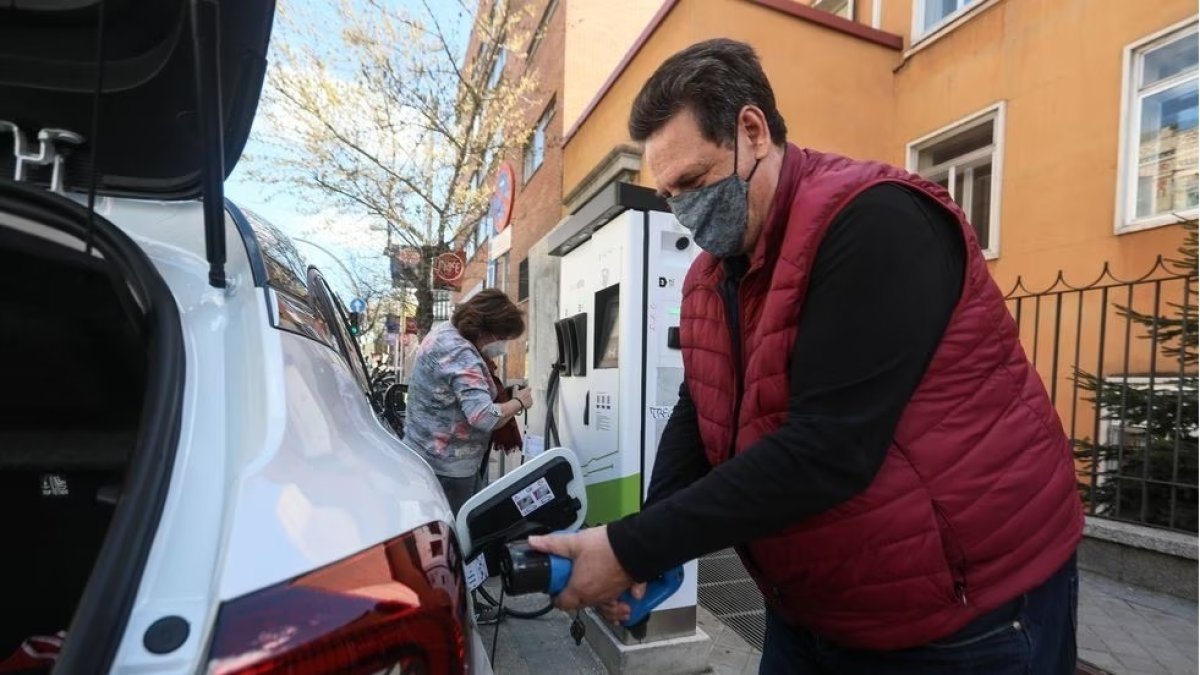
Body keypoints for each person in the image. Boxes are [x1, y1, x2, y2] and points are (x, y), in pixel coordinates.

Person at [529, 38, 1083, 674]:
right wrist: (651, 541)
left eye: (694, 182)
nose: (684, 210)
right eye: (670, 193)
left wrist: (626, 549)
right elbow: (698, 407)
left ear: (753, 130)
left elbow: (828, 450)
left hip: (965, 615)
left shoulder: (876, 221)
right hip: (812, 608)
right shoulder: (711, 275)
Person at [403, 289, 534, 514]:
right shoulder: (460, 353)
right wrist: (519, 403)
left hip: (425, 453)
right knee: (458, 533)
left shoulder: (444, 333)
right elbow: (483, 416)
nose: (502, 346)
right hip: (447, 467)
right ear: (486, 331)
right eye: (503, 338)